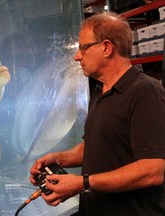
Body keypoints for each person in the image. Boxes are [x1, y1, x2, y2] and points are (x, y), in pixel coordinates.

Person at [29, 12, 165, 216]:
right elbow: (96, 145)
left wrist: (82, 183)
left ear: (107, 47)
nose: (77, 56)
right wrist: (59, 159)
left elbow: (152, 170)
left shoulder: (145, 92)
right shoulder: (99, 91)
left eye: (83, 48)